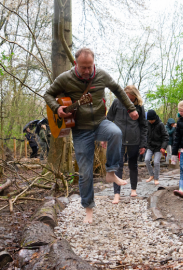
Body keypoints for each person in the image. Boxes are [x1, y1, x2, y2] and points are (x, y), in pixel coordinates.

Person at [43, 47, 138, 224]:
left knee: (116, 132)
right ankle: (88, 210)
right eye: (83, 67)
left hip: (101, 122)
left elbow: (117, 90)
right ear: (75, 64)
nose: (87, 71)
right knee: (85, 173)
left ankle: (110, 172)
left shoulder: (101, 75)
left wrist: (131, 109)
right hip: (80, 130)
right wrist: (58, 108)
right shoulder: (65, 78)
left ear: (94, 63)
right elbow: (48, 94)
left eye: (90, 66)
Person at [107, 85, 147, 204]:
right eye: (127, 98)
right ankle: (116, 194)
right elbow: (108, 119)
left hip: (134, 139)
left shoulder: (139, 106)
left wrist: (143, 144)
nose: (129, 101)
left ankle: (133, 189)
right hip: (118, 138)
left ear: (135, 97)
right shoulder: (116, 103)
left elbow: (143, 126)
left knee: (133, 165)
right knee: (117, 165)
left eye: (131, 99)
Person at [144, 110, 168, 186]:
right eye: (149, 120)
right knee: (147, 159)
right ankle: (152, 175)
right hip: (150, 146)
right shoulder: (147, 124)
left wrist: (163, 147)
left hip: (159, 147)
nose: (150, 121)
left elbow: (166, 137)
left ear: (155, 118)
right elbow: (146, 135)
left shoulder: (160, 125)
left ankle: (156, 178)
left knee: (156, 162)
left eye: (152, 120)